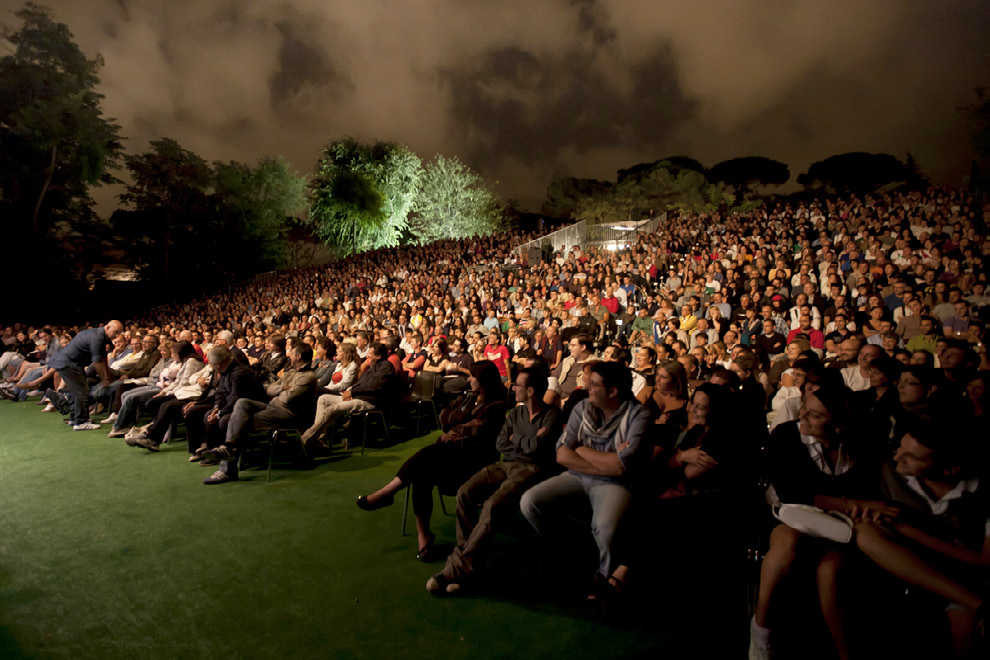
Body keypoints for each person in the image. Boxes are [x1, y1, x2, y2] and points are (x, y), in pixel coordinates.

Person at [426, 366, 562, 596]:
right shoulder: (516, 413)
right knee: (464, 494)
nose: (513, 387)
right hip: (505, 464)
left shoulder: (552, 415)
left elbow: (542, 447)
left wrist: (516, 438)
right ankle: (471, 568)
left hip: (532, 468)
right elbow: (501, 443)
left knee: (492, 507)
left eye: (518, 384)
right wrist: (526, 440)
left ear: (530, 390)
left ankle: (456, 569)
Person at [356, 361, 507, 561]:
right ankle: (423, 536)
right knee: (422, 473)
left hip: (474, 464)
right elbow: (443, 415)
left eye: (473, 377)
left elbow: (478, 429)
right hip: (450, 457)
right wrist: (459, 423)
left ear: (483, 381)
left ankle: (388, 493)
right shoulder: (468, 398)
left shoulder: (496, 406)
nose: (469, 379)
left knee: (429, 457)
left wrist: (455, 427)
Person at [520, 361, 651, 592]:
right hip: (577, 477)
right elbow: (561, 454)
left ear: (612, 391)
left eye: (593, 384)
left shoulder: (637, 415)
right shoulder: (582, 408)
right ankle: (570, 554)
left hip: (615, 484)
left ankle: (603, 581)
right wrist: (606, 461)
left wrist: (580, 450)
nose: (586, 385)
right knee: (530, 502)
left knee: (605, 527)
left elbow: (623, 467)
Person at [47, 320, 124, 430]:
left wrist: (106, 377)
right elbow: (98, 362)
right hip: (69, 364)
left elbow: (102, 359)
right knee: (81, 392)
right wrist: (105, 379)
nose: (116, 335)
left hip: (68, 363)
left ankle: (74, 418)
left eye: (119, 333)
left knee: (80, 391)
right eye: (115, 332)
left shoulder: (97, 334)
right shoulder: (98, 338)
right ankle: (80, 422)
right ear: (107, 327)